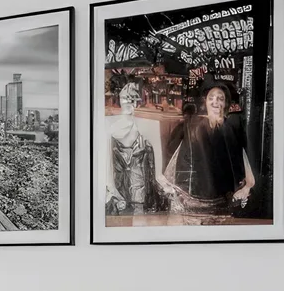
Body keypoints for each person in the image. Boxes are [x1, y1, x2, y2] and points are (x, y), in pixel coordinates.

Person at [164, 81, 257, 216]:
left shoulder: (231, 129)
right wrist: (175, 190)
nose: (215, 102)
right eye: (211, 98)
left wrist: (247, 187)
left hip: (223, 202)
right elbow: (174, 158)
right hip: (192, 201)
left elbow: (242, 159)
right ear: (205, 102)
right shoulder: (191, 127)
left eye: (220, 98)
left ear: (226, 104)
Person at [104, 77, 175, 216]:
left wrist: (166, 186)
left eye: (134, 96)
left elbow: (158, 173)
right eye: (126, 96)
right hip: (117, 195)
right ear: (119, 98)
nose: (130, 100)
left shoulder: (149, 126)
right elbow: (105, 165)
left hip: (142, 197)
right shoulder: (109, 126)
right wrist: (109, 191)